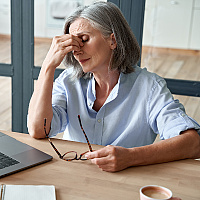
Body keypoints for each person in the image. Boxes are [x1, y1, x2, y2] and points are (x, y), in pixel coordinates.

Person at [28, 2, 200, 173]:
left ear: (113, 40)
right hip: (76, 178)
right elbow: (38, 130)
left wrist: (131, 157)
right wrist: (47, 66)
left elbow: (193, 142)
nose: (76, 50)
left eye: (84, 39)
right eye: (73, 43)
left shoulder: (149, 87)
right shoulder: (68, 81)